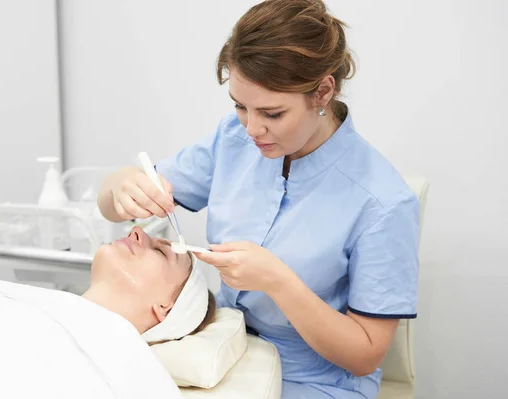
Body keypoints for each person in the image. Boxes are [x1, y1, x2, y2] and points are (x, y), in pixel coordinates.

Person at [97, 0, 420, 398]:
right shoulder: (232, 139)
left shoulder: (383, 203)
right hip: (229, 354)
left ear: (322, 91)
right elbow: (110, 203)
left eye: (272, 113)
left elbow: (365, 355)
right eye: (239, 106)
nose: (252, 128)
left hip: (315, 382)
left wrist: (279, 282)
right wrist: (122, 187)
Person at [0, 226, 216, 398]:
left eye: (160, 251)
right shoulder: (5, 297)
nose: (138, 232)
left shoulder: (131, 372)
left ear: (166, 308)